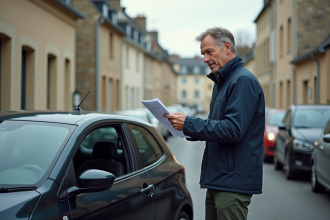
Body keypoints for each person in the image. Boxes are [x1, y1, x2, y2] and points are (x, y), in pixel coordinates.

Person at [163, 27, 265, 220]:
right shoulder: (223, 82)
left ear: (227, 47)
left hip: (232, 182)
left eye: (209, 52)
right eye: (203, 54)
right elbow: (215, 126)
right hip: (218, 180)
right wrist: (183, 127)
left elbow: (232, 130)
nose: (205, 59)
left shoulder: (242, 81)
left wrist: (189, 123)